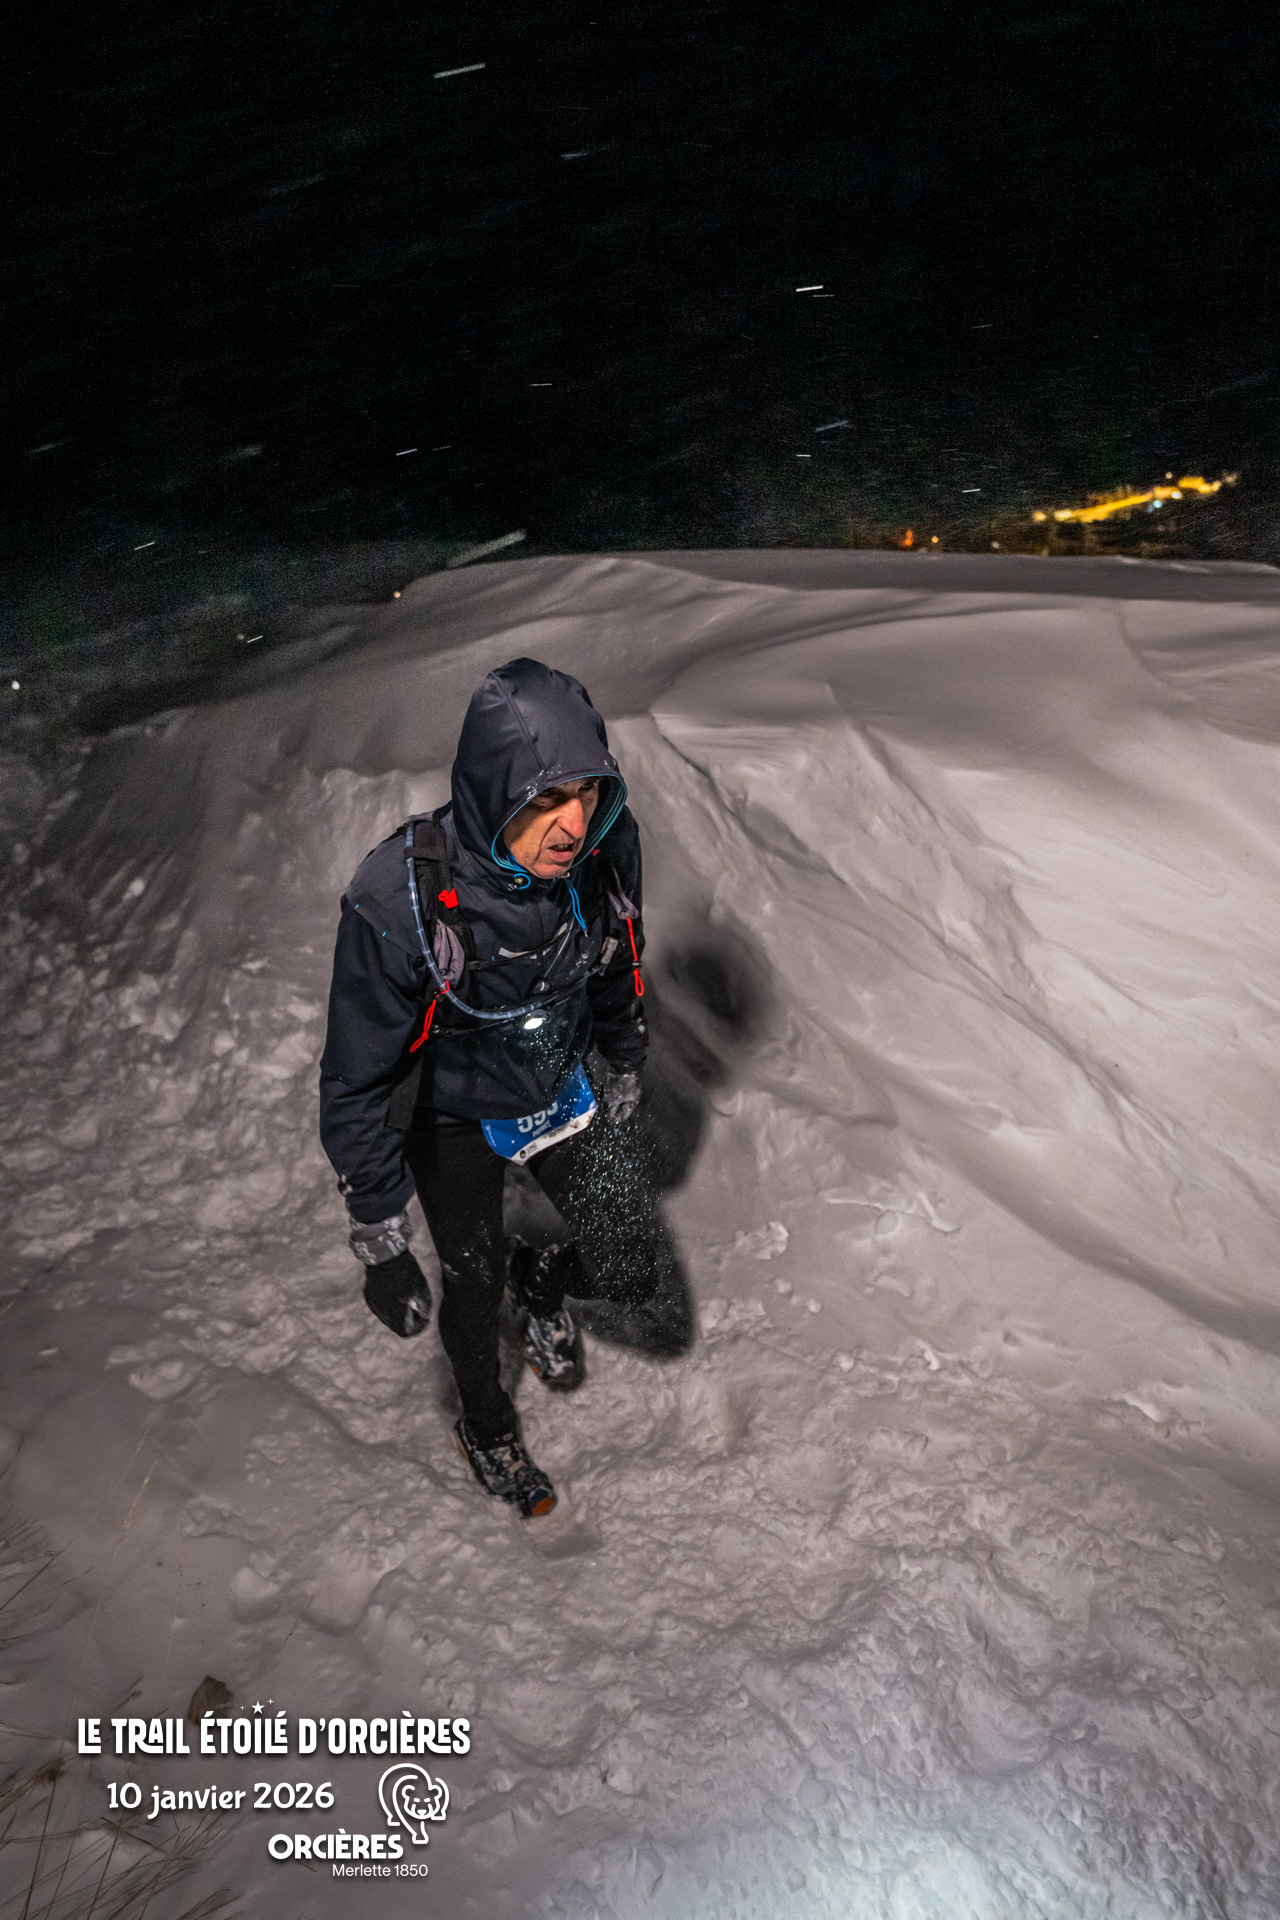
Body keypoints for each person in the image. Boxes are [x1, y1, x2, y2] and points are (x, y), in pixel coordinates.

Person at [319, 656, 667, 1519]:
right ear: (489, 793)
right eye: (545, 800)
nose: (573, 824)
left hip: (556, 1080)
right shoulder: (399, 901)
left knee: (628, 1259)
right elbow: (356, 1073)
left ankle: (539, 1279)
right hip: (452, 1113)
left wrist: (623, 1055)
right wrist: (379, 1232)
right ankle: (485, 1423)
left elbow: (617, 955)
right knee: (470, 1288)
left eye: (585, 793)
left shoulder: (606, 851)